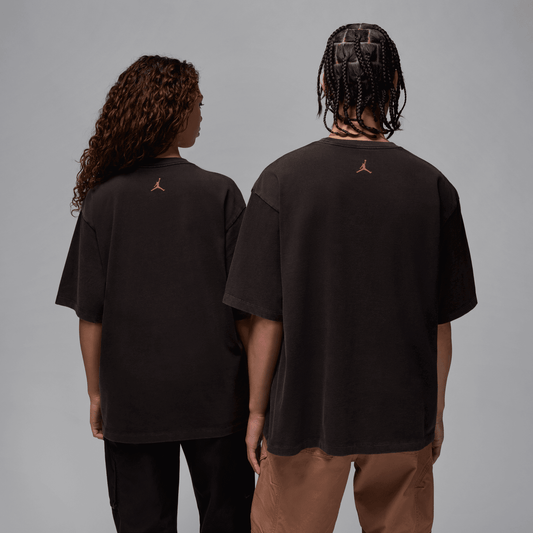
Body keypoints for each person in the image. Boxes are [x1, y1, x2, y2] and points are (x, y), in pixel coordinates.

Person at [223, 24, 477, 532]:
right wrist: (434, 413)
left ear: (324, 82)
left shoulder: (280, 182)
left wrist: (256, 414)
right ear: (395, 82)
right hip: (402, 416)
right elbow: (439, 324)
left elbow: (266, 319)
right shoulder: (432, 187)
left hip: (304, 416)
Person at [56, 55, 254, 533]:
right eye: (197, 105)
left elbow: (91, 315)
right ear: (173, 110)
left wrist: (97, 393)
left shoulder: (103, 201)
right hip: (219, 400)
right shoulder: (221, 193)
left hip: (133, 402)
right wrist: (259, 402)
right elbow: (246, 314)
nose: (202, 114)